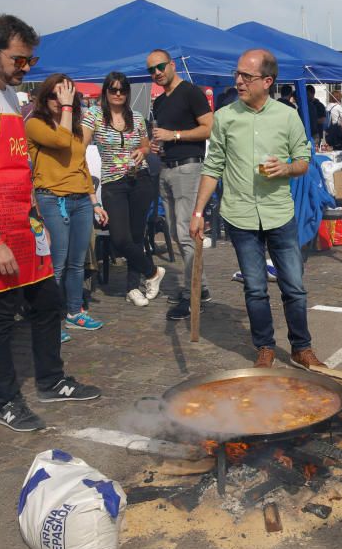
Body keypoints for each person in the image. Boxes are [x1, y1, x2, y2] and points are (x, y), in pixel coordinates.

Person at [0, 15, 100, 432]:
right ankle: (6, 400)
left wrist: (33, 222)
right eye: (19, 60)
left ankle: (50, 380)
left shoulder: (8, 96)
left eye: (31, 60)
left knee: (47, 302)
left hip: (23, 223)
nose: (26, 68)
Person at [190, 49, 324, 370]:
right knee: (254, 288)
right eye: (237, 74)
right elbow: (213, 166)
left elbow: (304, 161)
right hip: (240, 216)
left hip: (279, 213)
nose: (238, 81)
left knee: (294, 286)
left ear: (267, 81)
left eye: (246, 77)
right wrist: (197, 212)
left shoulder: (287, 116)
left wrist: (286, 168)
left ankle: (301, 347)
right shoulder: (224, 117)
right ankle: (264, 346)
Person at [26, 74, 109, 343]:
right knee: (56, 263)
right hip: (52, 199)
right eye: (55, 95)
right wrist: (66, 108)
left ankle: (74, 311)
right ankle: (50, 319)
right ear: (45, 97)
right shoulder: (35, 124)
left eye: (67, 95)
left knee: (76, 262)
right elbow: (60, 142)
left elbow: (80, 164)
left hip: (80, 201)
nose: (60, 100)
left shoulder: (73, 128)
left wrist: (94, 202)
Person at [82, 72, 165, 307]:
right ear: (105, 92)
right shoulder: (94, 116)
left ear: (127, 93)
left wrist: (143, 152)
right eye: (113, 89)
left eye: (122, 90)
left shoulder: (136, 117)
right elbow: (80, 148)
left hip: (140, 180)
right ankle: (152, 272)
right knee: (120, 238)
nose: (118, 94)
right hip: (113, 183)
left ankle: (132, 287)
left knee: (137, 236)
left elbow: (147, 146)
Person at [146, 50, 213, 321]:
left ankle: (193, 295)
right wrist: (155, 145)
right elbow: (162, 135)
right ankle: (201, 288)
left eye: (160, 66)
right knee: (176, 233)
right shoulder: (160, 101)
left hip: (188, 168)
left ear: (172, 65)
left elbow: (209, 128)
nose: (157, 72)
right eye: (152, 70)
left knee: (186, 235)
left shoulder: (191, 92)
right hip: (167, 169)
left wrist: (174, 135)